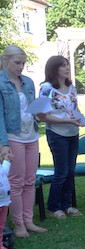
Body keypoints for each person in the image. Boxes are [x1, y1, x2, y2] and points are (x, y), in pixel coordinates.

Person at [0, 45, 47, 237]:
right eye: (17, 63)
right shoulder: (1, 83)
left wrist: (41, 113)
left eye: (23, 63)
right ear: (5, 60)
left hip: (32, 136)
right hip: (13, 137)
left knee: (30, 180)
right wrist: (3, 144)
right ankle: (18, 224)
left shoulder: (28, 82)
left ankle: (29, 221)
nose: (21, 67)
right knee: (16, 181)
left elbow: (33, 110)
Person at [39, 55, 84, 219]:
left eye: (67, 65)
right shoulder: (46, 88)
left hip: (73, 132)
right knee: (62, 171)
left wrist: (82, 120)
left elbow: (74, 109)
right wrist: (67, 120)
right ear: (54, 69)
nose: (67, 68)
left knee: (70, 171)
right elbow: (41, 115)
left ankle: (68, 205)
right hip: (57, 134)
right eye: (63, 65)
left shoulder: (71, 87)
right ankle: (54, 207)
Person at [0, 156, 18, 249]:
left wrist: (7, 161)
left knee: (1, 226)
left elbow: (4, 173)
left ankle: (1, 247)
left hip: (4, 201)